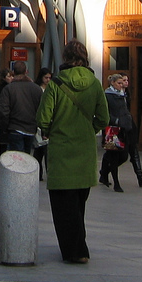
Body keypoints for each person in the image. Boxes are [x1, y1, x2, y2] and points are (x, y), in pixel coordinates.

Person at [36, 39, 109, 264]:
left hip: (61, 151)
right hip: (85, 153)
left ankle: (75, 251)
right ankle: (80, 247)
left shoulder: (56, 84)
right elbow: (104, 118)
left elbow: (42, 117)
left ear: (65, 58)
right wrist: (89, 130)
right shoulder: (95, 83)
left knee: (62, 207)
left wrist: (50, 130)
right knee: (79, 204)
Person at [0, 61, 44, 154]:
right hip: (31, 128)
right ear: (26, 71)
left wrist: (5, 127)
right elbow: (42, 108)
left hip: (14, 127)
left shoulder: (9, 88)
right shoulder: (36, 89)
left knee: (16, 159)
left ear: (13, 72)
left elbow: (3, 110)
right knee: (26, 156)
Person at [99, 73, 134, 192]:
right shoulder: (108, 95)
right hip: (112, 130)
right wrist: (116, 120)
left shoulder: (123, 94)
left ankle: (104, 173)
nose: (121, 85)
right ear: (112, 83)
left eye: (122, 83)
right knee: (113, 156)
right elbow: (105, 112)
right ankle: (116, 183)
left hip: (124, 128)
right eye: (119, 83)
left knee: (124, 156)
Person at [33, 67, 52, 179]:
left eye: (49, 77)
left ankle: (48, 173)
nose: (48, 80)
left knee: (47, 150)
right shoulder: (38, 89)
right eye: (46, 77)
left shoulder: (52, 88)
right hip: (39, 121)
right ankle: (38, 173)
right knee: (38, 150)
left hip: (49, 122)